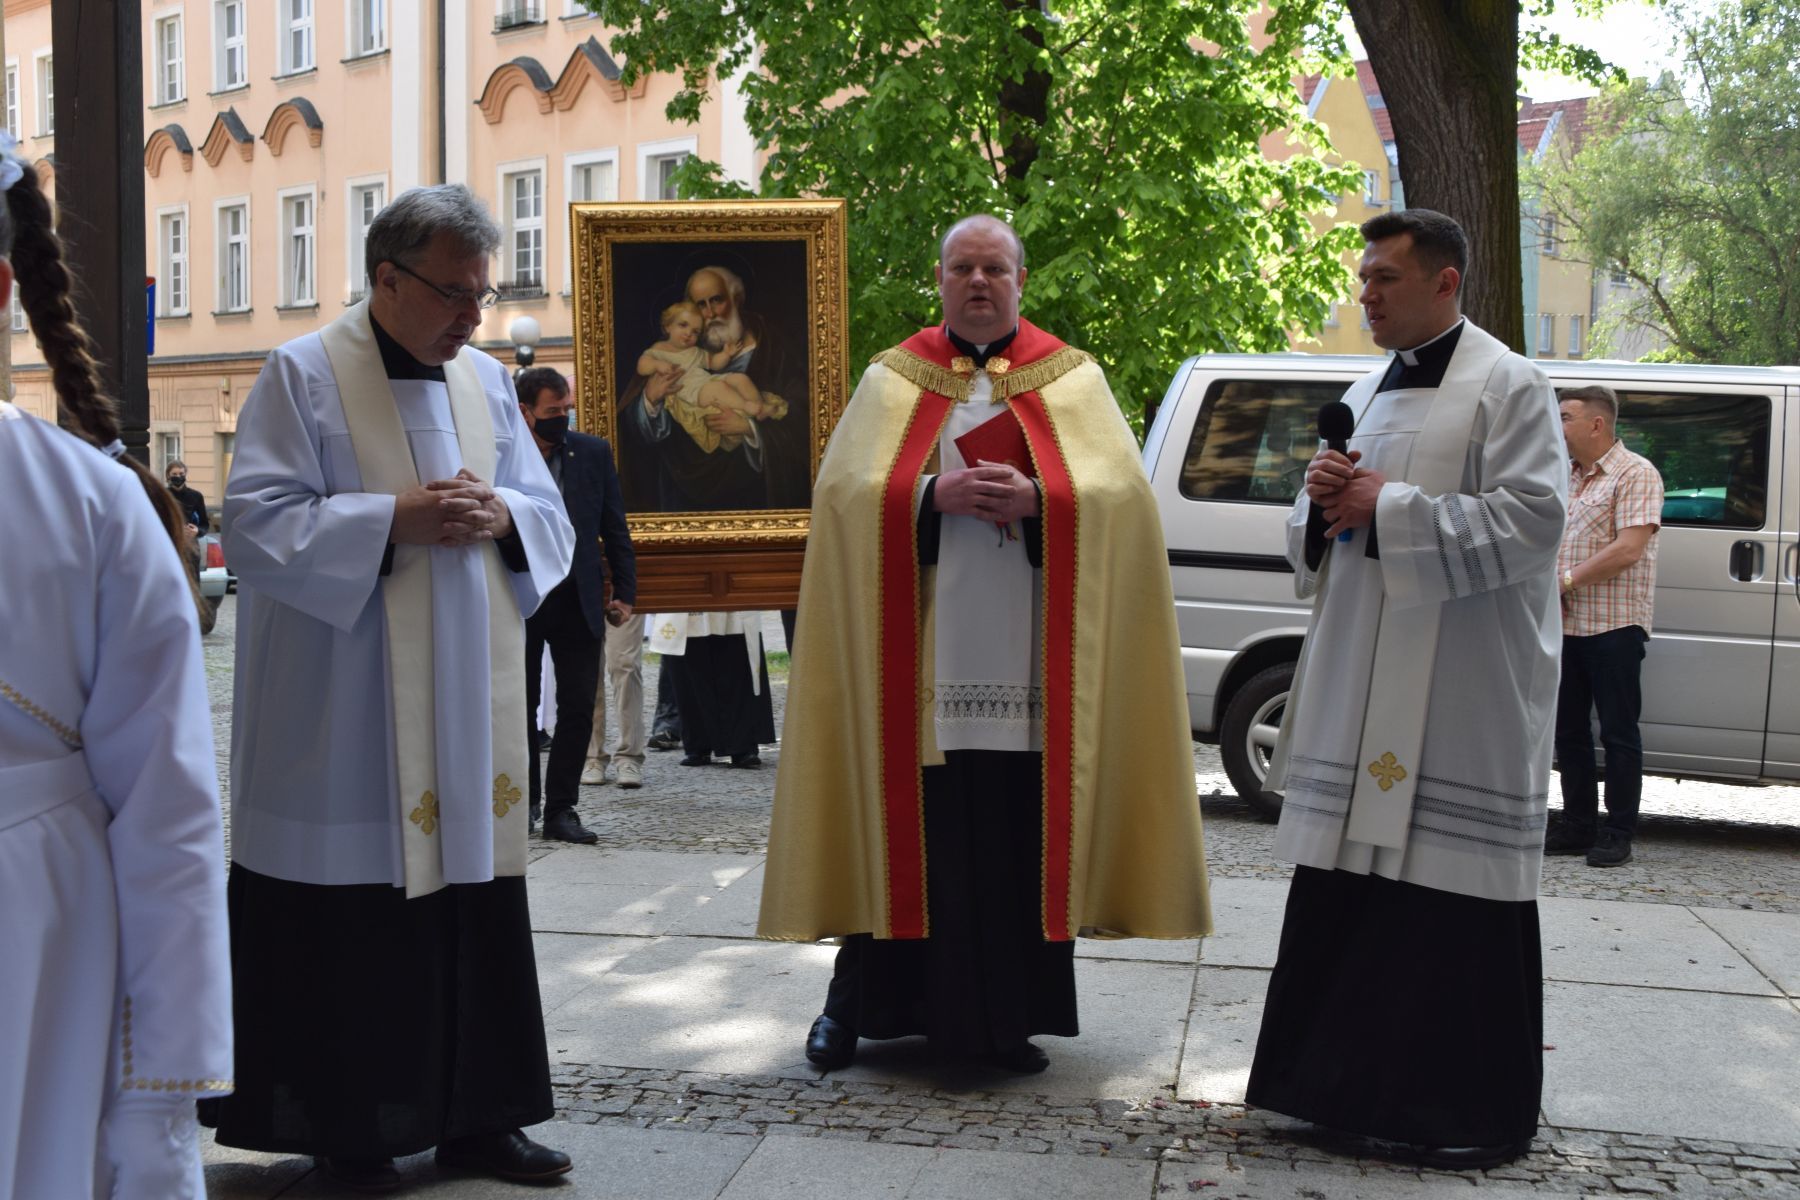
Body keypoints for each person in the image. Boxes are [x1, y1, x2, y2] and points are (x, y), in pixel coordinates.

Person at [758, 215, 1212, 1075]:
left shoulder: (1073, 377)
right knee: (906, 834)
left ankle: (1006, 1023)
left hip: (1032, 669)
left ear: (1020, 278)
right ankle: (853, 1011)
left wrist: (1048, 503)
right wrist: (932, 496)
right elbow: (843, 498)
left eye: (994, 268)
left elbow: (1126, 505)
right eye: (962, 267)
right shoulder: (893, 377)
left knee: (1008, 843)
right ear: (938, 279)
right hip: (920, 673)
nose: (978, 282)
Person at [203, 185, 577, 1192]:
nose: (473, 317)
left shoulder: (487, 387)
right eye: (455, 294)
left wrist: (503, 515)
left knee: (472, 907)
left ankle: (480, 1120)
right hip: (348, 721)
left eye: (481, 296)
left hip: (467, 708)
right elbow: (255, 526)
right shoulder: (304, 374)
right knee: (356, 928)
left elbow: (551, 515)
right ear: (387, 279)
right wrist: (387, 522)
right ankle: (350, 1129)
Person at [1247, 209, 1568, 1170]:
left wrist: (1384, 504)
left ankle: (1458, 1113)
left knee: (1444, 901)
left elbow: (1534, 520)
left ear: (1446, 282)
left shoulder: (1509, 385)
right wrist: (1319, 499)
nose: (1367, 294)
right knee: (1351, 893)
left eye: (1386, 277)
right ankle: (1332, 1094)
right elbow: (1313, 543)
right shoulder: (1364, 386)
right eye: (1365, 277)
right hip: (1361, 685)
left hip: (1459, 696)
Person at [0, 140, 232, 1199]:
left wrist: (159, 1111)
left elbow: (170, 824)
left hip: (40, 945)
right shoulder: (96, 505)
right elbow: (170, 823)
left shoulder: (95, 505)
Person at [517, 366, 636, 841]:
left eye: (566, 410)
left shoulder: (591, 452)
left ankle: (561, 810)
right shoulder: (503, 454)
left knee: (578, 707)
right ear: (525, 412)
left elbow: (614, 526)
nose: (562, 419)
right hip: (521, 598)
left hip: (579, 597)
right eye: (552, 411)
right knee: (518, 706)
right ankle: (521, 803)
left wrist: (624, 592)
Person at [1546, 384, 1663, 868]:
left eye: (1566, 417)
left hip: (1613, 626)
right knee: (1567, 730)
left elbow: (1628, 548)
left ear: (1597, 423)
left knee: (1617, 732)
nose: (1559, 425)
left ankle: (1617, 832)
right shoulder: (1568, 476)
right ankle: (1577, 825)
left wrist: (1563, 581)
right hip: (1566, 625)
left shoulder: (1636, 473)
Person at [616, 265, 810, 514]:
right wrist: (650, 401)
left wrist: (749, 429)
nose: (710, 313)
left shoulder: (774, 349)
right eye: (700, 305)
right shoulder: (672, 354)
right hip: (683, 503)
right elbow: (629, 430)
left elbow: (804, 420)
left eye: (716, 300)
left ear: (735, 298)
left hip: (755, 502)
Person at [636, 299, 783, 454]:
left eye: (695, 332)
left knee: (739, 378)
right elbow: (642, 366)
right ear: (667, 326)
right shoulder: (658, 350)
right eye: (683, 325)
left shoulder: (695, 351)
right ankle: (748, 407)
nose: (688, 334)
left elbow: (713, 363)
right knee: (719, 388)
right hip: (691, 393)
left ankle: (758, 406)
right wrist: (657, 365)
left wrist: (726, 354)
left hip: (706, 382)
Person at [652, 611, 776, 769]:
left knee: (735, 661)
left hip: (732, 604)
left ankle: (742, 746)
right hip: (688, 601)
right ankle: (698, 745)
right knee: (691, 665)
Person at [583, 609, 648, 788]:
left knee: (625, 665)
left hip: (623, 590)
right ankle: (592, 756)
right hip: (582, 588)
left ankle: (630, 756)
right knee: (589, 669)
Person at [165, 458, 208, 534]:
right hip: (168, 541)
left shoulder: (196, 496)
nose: (178, 476)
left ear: (185, 474)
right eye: (174, 474)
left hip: (189, 541)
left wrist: (197, 531)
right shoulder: (162, 494)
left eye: (181, 474)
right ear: (168, 475)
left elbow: (204, 525)